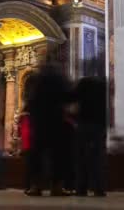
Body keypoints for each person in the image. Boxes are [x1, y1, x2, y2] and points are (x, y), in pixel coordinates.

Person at [26, 60, 72, 197]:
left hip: (40, 121)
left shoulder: (36, 79)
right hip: (56, 121)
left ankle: (36, 186)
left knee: (37, 155)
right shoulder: (60, 79)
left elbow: (30, 100)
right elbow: (68, 97)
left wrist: (32, 116)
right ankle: (57, 186)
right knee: (58, 156)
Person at [74, 74, 108, 197]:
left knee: (81, 157)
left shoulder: (83, 84)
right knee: (98, 157)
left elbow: (73, 99)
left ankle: (81, 188)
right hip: (98, 125)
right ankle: (98, 188)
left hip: (84, 124)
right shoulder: (103, 86)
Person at [18, 106, 32, 192]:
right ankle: (29, 186)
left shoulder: (23, 120)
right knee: (30, 168)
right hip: (30, 146)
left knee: (28, 168)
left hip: (26, 146)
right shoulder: (29, 120)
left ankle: (27, 186)